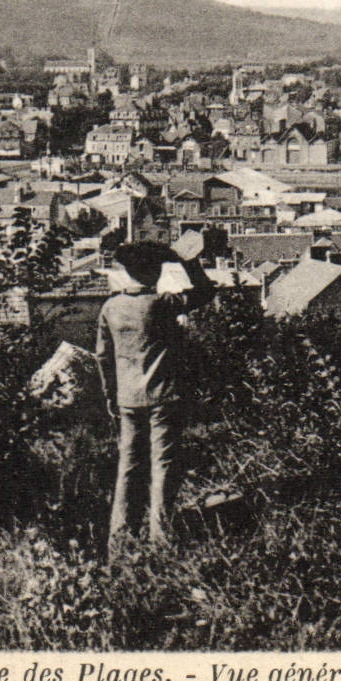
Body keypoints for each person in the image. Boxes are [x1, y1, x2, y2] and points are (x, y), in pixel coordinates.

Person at [96, 230, 215, 552]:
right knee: (163, 466)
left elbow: (103, 357)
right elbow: (205, 293)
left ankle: (120, 540)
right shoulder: (162, 304)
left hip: (127, 398)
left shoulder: (111, 307)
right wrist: (187, 262)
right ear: (155, 270)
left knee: (129, 466)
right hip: (165, 396)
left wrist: (110, 396)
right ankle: (161, 538)